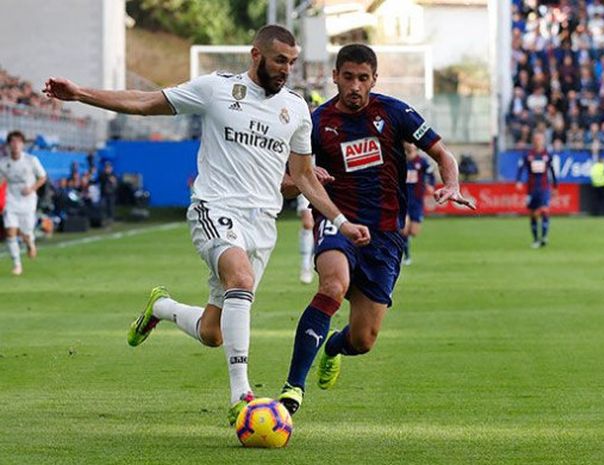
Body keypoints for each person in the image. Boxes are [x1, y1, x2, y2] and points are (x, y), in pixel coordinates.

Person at [43, 24, 368, 424]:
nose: (286, 69)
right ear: (256, 56)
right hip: (213, 208)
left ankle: (160, 307)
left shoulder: (297, 109)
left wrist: (339, 219)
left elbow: (302, 176)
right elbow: (147, 101)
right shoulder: (216, 88)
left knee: (214, 333)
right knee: (241, 280)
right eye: (280, 60)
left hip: (262, 224)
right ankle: (241, 396)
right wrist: (80, 94)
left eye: (292, 62)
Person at [276, 44, 474, 415]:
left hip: (384, 236)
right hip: (339, 222)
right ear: (335, 76)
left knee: (364, 339)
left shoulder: (394, 112)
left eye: (362, 78)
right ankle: (293, 388)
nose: (354, 86)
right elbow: (286, 181)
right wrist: (301, 179)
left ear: (374, 80)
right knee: (333, 285)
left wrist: (452, 184)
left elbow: (443, 154)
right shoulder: (316, 123)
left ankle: (333, 347)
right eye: (347, 77)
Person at [0, 131, 47, 275]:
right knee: (10, 231)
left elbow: (42, 177)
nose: (15, 145)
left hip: (28, 201)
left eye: (18, 142)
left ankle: (30, 243)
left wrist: (32, 188)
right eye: (12, 142)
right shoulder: (3, 162)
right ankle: (17, 264)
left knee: (26, 233)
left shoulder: (31, 160)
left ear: (22, 144)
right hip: (11, 200)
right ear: (8, 145)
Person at [516, 132, 557, 248]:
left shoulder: (547, 155)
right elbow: (521, 168)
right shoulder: (528, 155)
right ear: (533, 141)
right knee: (533, 214)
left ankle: (544, 237)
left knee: (545, 210)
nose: (538, 141)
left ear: (543, 141)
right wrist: (518, 181)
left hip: (544, 187)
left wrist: (555, 186)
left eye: (540, 139)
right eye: (536, 139)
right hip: (532, 188)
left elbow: (552, 171)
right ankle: (536, 239)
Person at [401, 142, 435, 265]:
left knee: (413, 232)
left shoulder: (422, 161)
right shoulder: (400, 160)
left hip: (417, 200)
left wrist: (430, 184)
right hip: (403, 200)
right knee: (403, 229)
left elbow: (430, 173)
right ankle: (406, 256)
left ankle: (406, 241)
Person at [297, 194, 315, 284]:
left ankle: (313, 261)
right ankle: (305, 266)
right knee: (307, 223)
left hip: (327, 186)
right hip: (307, 183)